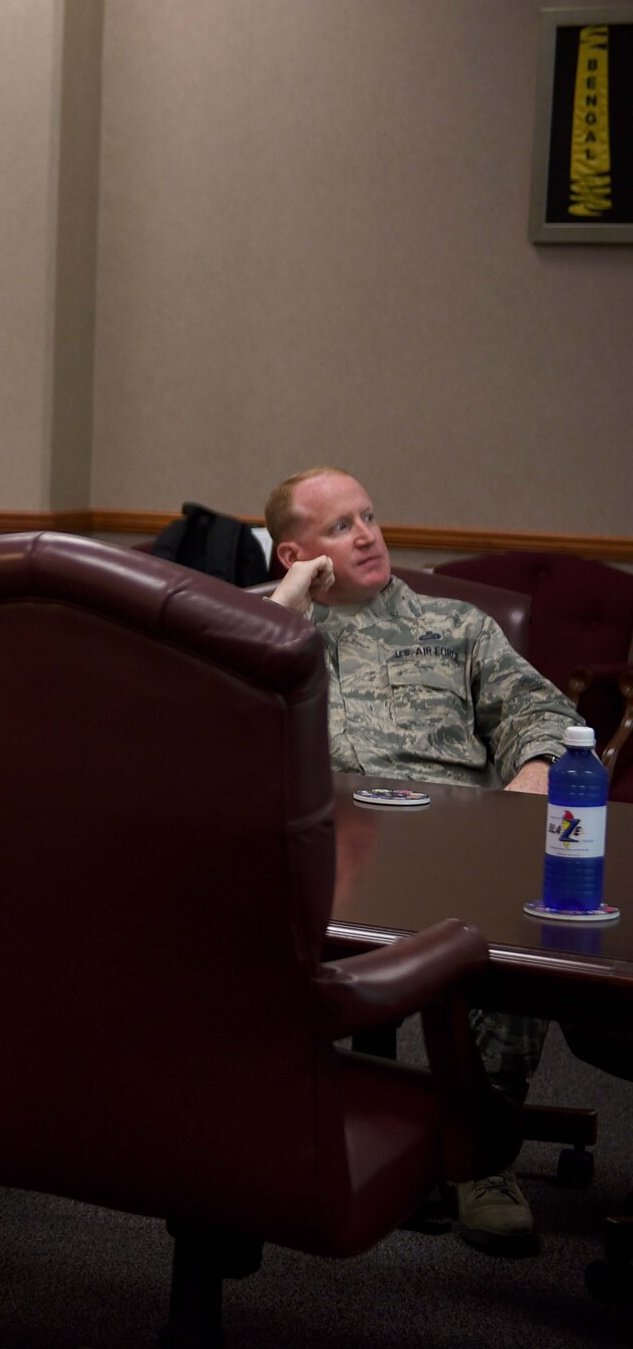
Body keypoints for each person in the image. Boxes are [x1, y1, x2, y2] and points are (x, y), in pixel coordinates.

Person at [263, 465, 580, 1257]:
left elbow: (541, 707)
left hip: (454, 845)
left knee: (509, 916)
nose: (367, 535)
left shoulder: (455, 626)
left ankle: (483, 1148)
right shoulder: (262, 629)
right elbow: (192, 708)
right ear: (295, 554)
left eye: (369, 517)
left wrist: (535, 769)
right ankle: (284, 1135)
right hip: (317, 853)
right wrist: (284, 610)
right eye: (340, 527)